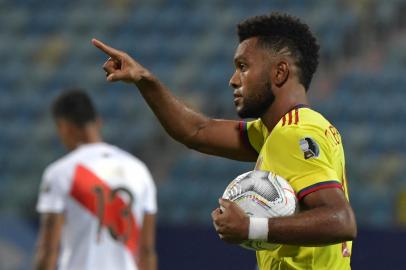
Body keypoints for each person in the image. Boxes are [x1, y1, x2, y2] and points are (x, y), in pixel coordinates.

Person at [92, 12, 356, 270]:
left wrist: (250, 228)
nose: (233, 80)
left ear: (279, 73)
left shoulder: (294, 134)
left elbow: (342, 221)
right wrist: (144, 80)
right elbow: (197, 131)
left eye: (243, 67)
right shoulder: (277, 131)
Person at [34, 90, 157, 270]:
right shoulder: (140, 170)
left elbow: (48, 249)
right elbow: (146, 251)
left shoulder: (61, 173)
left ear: (64, 127)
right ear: (98, 122)